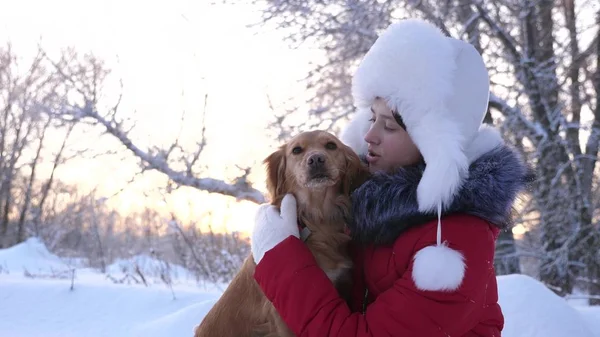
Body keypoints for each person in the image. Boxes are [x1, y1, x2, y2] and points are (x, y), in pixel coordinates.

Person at [250, 18, 533, 336]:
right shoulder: (367, 208)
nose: (369, 135)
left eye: (390, 125)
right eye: (372, 118)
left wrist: (280, 258)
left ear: (432, 143)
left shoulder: (452, 246)